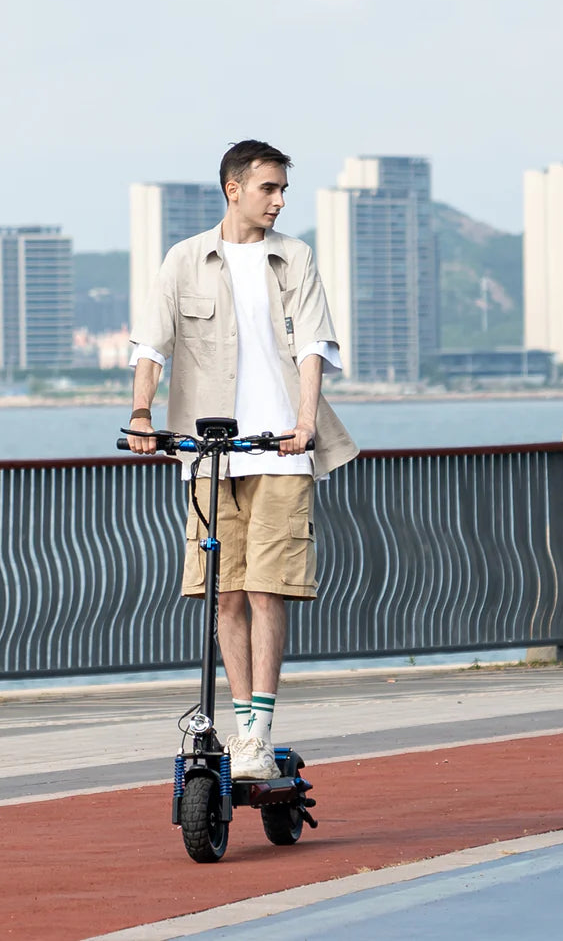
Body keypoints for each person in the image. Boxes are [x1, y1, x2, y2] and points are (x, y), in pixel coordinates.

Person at [126, 140, 358, 780]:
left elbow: (313, 345)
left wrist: (305, 423)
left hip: (281, 450)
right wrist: (142, 416)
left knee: (267, 588)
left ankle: (259, 733)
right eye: (269, 189)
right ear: (234, 189)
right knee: (223, 593)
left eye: (284, 190)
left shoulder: (295, 258)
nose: (280, 201)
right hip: (211, 454)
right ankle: (238, 724)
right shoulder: (185, 260)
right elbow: (151, 345)